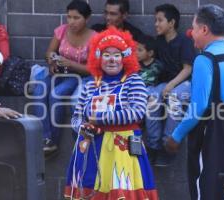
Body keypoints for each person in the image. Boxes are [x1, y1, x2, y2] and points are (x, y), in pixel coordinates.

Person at [165, 4, 224, 200]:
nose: (191, 33)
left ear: (204, 29)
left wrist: (176, 136)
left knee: (206, 189)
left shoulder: (205, 60)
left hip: (211, 136)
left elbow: (199, 107)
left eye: (193, 28)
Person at [64, 27, 158, 200]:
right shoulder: (91, 84)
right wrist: (81, 127)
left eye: (117, 54)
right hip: (91, 147)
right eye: (106, 55)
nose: (112, 59)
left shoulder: (134, 80)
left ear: (125, 58)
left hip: (122, 148)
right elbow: (77, 116)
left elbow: (137, 112)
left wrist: (99, 119)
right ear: (99, 58)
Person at [33, 0, 96, 156]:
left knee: (57, 94)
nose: (71, 22)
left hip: (77, 75)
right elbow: (49, 52)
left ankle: (53, 140)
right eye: (69, 17)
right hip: (57, 72)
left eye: (76, 18)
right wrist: (52, 61)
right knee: (38, 90)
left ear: (87, 19)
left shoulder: (95, 38)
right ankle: (45, 138)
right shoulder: (61, 31)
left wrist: (71, 64)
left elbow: (93, 69)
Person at [145, 3, 196, 166]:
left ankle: (169, 144)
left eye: (160, 20)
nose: (156, 24)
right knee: (152, 97)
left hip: (184, 83)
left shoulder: (185, 41)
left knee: (174, 97)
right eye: (155, 20)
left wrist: (171, 85)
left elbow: (188, 69)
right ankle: (154, 145)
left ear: (172, 23)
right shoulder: (158, 42)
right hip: (165, 83)